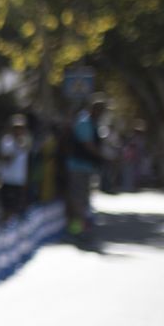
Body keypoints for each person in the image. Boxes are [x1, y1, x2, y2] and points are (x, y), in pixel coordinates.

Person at [65, 97, 106, 236]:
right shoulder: (84, 121)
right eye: (100, 110)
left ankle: (80, 227)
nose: (102, 113)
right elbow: (88, 145)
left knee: (84, 198)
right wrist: (104, 156)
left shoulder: (93, 123)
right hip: (78, 166)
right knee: (78, 198)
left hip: (87, 167)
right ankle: (78, 229)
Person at [0, 114, 29, 220]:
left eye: (20, 128)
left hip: (20, 180)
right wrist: (16, 147)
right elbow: (6, 159)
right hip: (8, 179)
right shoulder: (7, 141)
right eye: (16, 128)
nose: (18, 131)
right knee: (7, 207)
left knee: (19, 207)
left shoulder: (26, 141)